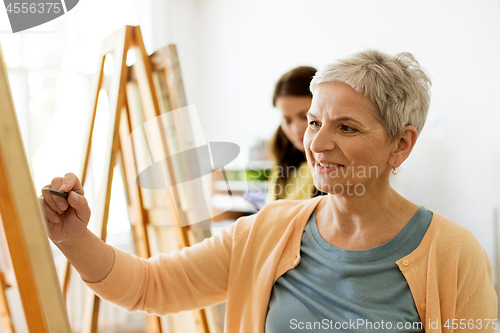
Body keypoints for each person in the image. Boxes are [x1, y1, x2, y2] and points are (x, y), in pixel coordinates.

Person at [40, 50, 497, 332]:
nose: (316, 142)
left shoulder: (453, 254)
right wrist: (75, 239)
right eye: (315, 122)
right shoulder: (267, 231)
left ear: (400, 144)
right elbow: (148, 286)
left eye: (346, 127)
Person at [267, 66, 323, 202]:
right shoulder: (283, 164)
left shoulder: (336, 168)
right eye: (287, 120)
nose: (296, 129)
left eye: (305, 117)